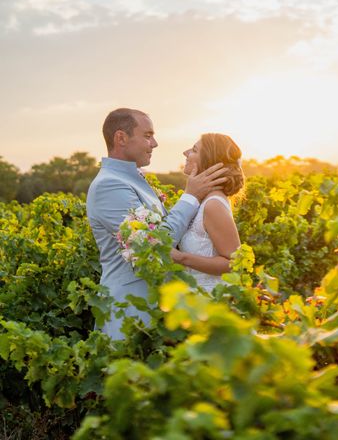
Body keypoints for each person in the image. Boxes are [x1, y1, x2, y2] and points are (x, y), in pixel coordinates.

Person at [86, 108, 228, 340]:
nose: (155, 143)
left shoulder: (132, 179)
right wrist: (190, 196)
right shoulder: (108, 186)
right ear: (121, 138)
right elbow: (152, 246)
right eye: (147, 136)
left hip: (155, 307)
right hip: (131, 311)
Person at [171, 133, 243, 292]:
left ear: (208, 161)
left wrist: (181, 258)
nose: (185, 152)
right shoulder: (201, 201)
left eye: (194, 150)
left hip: (210, 300)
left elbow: (233, 262)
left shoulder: (213, 205)